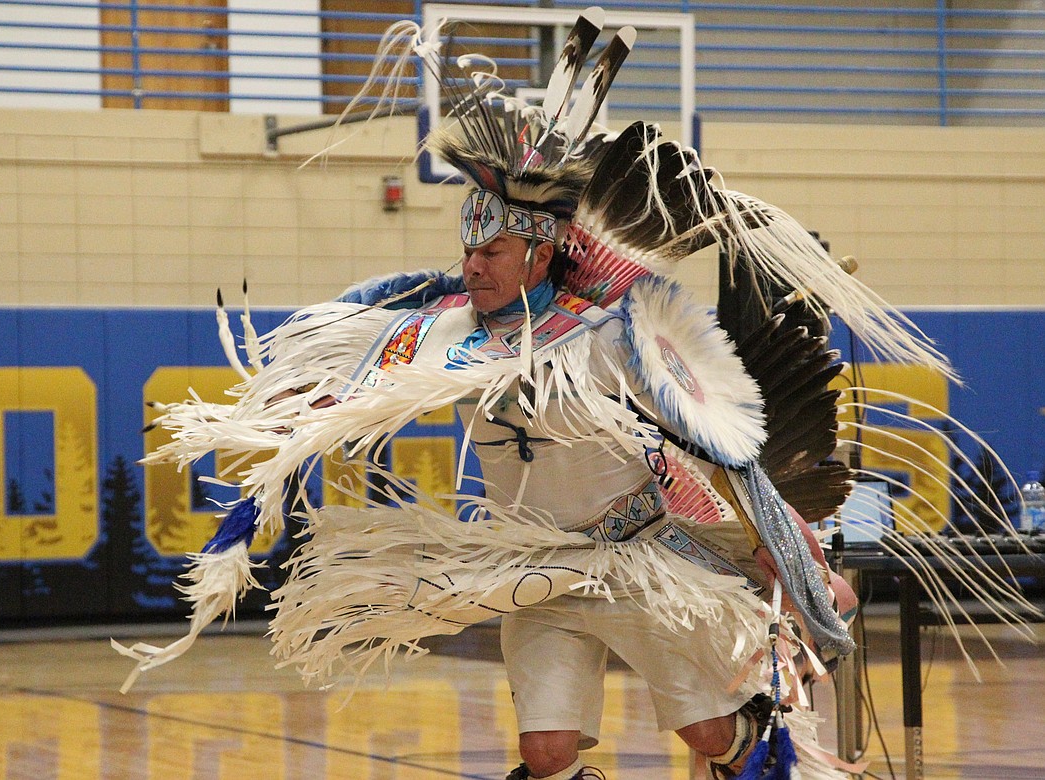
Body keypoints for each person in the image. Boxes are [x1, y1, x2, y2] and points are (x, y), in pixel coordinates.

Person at [115, 10, 1036, 779]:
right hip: (535, 567)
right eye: (467, 253)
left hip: (643, 556)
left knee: (710, 737)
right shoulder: (442, 333)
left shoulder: (613, 338)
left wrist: (798, 569)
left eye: (492, 253)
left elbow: (732, 457)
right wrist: (276, 449)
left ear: (543, 252)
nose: (470, 268)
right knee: (546, 750)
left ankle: (760, 747)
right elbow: (352, 364)